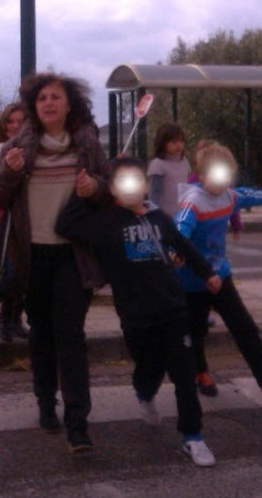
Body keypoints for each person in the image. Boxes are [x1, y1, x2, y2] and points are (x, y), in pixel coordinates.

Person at [56, 156, 222, 466]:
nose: (131, 186)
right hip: (136, 316)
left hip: (174, 309)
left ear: (146, 185)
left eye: (136, 180)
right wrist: (81, 195)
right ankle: (144, 393)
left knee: (184, 373)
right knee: (149, 368)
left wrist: (207, 273)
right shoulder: (105, 223)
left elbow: (183, 247)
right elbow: (64, 226)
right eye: (123, 181)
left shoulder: (160, 219)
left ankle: (193, 436)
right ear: (112, 189)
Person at [0, 72, 109, 454]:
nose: (49, 103)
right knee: (41, 333)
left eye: (56, 97)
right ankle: (44, 402)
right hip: (32, 255)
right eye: (42, 99)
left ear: (70, 104)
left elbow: (110, 189)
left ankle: (78, 423)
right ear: (34, 107)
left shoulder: (87, 144)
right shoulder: (18, 147)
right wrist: (10, 171)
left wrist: (95, 188)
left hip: (74, 254)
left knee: (71, 335)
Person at [175, 142, 262, 399]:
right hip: (193, 280)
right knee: (195, 330)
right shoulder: (193, 203)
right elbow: (180, 228)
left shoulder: (229, 196)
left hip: (221, 275)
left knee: (243, 324)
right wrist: (176, 250)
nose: (223, 182)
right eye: (217, 174)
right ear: (201, 175)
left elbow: (247, 195)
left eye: (227, 174)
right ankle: (200, 372)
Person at [0, 102, 31, 342]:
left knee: (26, 275)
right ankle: (6, 319)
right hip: (6, 220)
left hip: (29, 220)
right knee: (10, 271)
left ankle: (16, 318)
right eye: (10, 122)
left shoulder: (33, 149)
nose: (15, 126)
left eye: (20, 122)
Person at [147, 122, 191, 218]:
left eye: (181, 141)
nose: (178, 145)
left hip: (183, 213)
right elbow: (154, 193)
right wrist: (155, 215)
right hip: (165, 216)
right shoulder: (157, 164)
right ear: (163, 143)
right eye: (174, 142)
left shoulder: (184, 161)